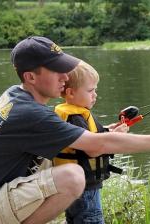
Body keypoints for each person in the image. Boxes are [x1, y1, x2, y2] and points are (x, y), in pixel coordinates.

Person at [0, 36, 150, 224]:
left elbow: (81, 138)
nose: (66, 77)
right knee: (72, 176)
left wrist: (106, 130)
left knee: (68, 153)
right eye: (56, 70)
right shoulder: (30, 114)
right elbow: (98, 145)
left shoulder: (14, 96)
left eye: (65, 68)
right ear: (30, 77)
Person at [52, 60, 127, 223]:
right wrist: (117, 136)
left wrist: (107, 130)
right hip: (85, 187)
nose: (95, 95)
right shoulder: (76, 118)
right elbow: (92, 148)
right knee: (91, 219)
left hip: (73, 185)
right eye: (90, 90)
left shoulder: (70, 115)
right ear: (71, 93)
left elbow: (87, 136)